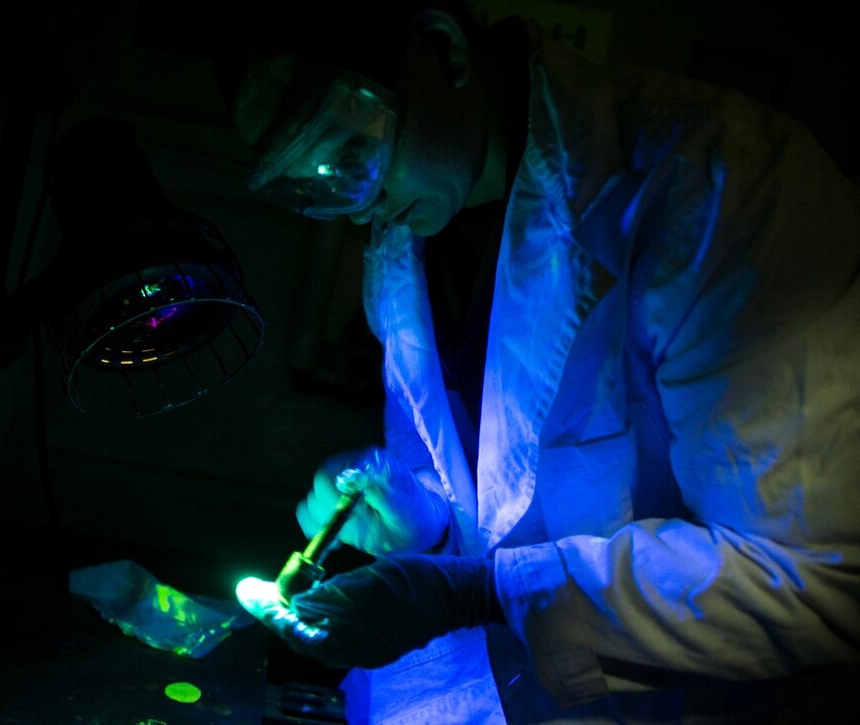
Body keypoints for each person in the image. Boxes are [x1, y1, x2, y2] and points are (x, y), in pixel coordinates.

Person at [214, 1, 860, 722]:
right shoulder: (407, 241)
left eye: (350, 153)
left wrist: (476, 593)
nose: (355, 207)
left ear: (444, 51)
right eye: (314, 187)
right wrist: (420, 511)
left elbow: (812, 582)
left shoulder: (720, 186)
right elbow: (499, 501)